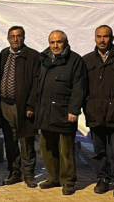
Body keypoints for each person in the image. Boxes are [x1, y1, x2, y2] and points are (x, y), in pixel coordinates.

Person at [35, 30, 87, 196]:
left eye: (59, 42)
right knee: (47, 147)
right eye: (52, 42)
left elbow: (79, 87)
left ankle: (68, 181)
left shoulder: (75, 60)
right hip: (45, 111)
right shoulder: (44, 59)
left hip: (64, 111)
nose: (55, 45)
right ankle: (53, 178)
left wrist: (74, 109)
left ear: (65, 42)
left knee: (66, 150)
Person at [84, 25, 114, 198]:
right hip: (95, 113)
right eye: (99, 36)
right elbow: (82, 86)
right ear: (95, 38)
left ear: (111, 38)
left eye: (105, 36)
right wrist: (87, 105)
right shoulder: (87, 60)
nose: (102, 40)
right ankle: (102, 179)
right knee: (99, 151)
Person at [0, 26, 41, 188]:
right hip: (5, 105)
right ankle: (14, 172)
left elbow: (36, 83)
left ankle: (29, 174)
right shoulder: (3, 54)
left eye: (19, 36)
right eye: (12, 36)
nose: (16, 39)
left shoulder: (33, 56)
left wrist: (31, 105)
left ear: (24, 37)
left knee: (26, 141)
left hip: (23, 106)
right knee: (10, 141)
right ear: (8, 38)